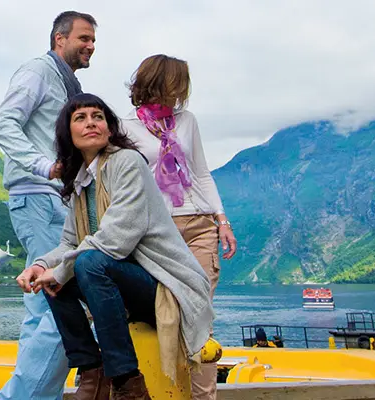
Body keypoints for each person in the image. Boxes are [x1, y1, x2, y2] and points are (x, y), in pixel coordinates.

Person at [19, 93, 215, 400]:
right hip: (121, 281)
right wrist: (41, 266)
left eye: (98, 117)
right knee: (57, 279)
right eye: (80, 118)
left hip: (164, 286)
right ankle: (91, 372)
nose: (90, 123)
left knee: (85, 264)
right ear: (67, 133)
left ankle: (127, 382)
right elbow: (70, 243)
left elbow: (116, 240)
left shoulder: (127, 163)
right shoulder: (81, 180)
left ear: (110, 128)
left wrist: (60, 270)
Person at [0, 11, 97, 400]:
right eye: (83, 38)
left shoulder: (68, 85)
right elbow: (3, 123)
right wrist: (44, 167)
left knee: (40, 308)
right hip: (37, 196)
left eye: (93, 41)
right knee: (60, 302)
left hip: (54, 199)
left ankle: (28, 392)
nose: (90, 46)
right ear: (59, 39)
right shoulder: (37, 71)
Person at [119, 53, 233, 400]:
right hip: (155, 231)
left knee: (200, 318)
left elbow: (200, 172)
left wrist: (222, 219)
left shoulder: (187, 121)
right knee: (157, 316)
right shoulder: (125, 127)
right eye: (176, 85)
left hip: (198, 224)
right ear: (157, 82)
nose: (180, 95)